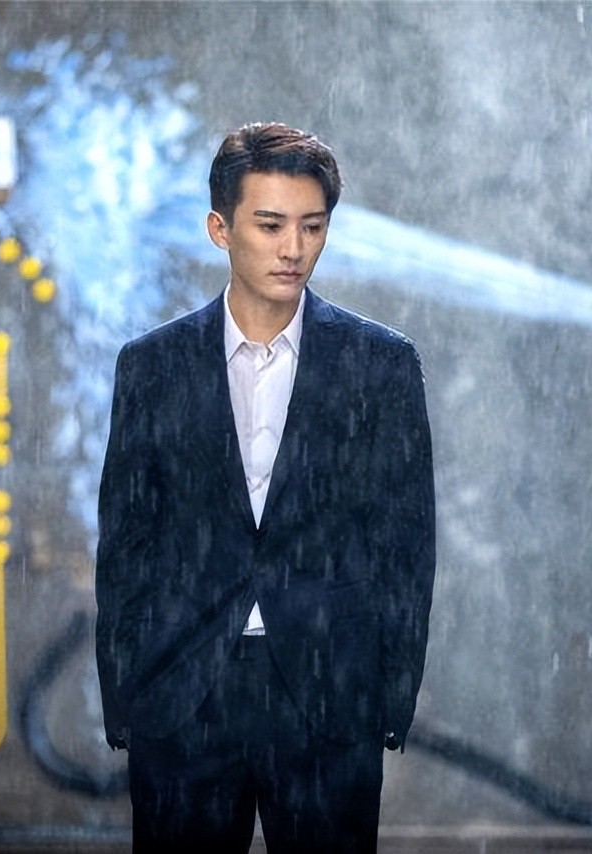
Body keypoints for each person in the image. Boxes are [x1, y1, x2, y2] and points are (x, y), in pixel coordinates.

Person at [95, 122, 436, 853]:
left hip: (327, 694)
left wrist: (389, 696)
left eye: (313, 227)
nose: (294, 249)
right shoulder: (152, 366)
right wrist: (126, 692)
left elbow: (405, 544)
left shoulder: (380, 364)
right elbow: (126, 542)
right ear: (220, 229)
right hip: (184, 693)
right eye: (271, 225)